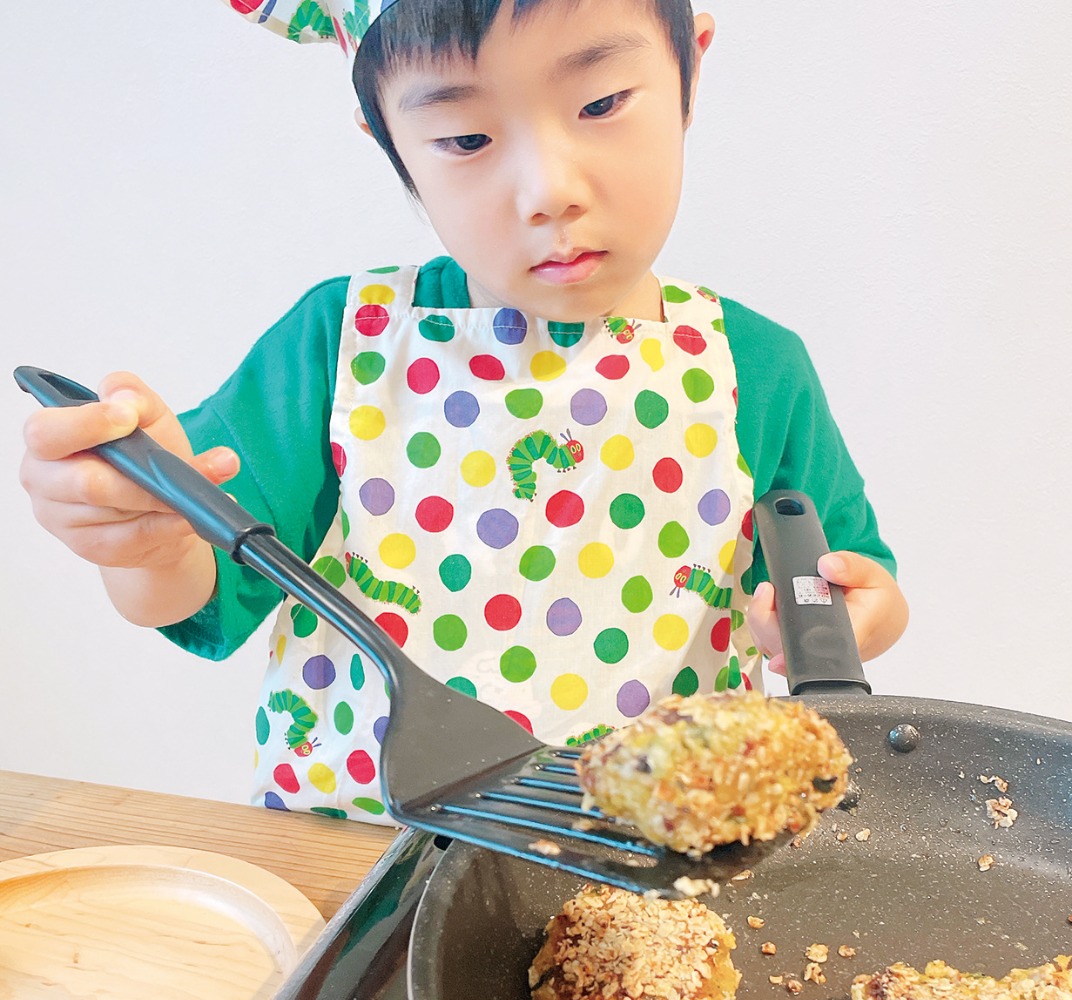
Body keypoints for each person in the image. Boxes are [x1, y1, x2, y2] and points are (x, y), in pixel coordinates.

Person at [19, 0, 908, 824]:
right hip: (364, 866)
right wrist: (142, 540)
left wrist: (837, 623)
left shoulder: (756, 367)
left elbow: (851, 584)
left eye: (600, 104)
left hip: (654, 865)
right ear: (389, 139)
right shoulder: (339, 345)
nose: (548, 189)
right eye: (467, 135)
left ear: (690, 76)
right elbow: (201, 589)